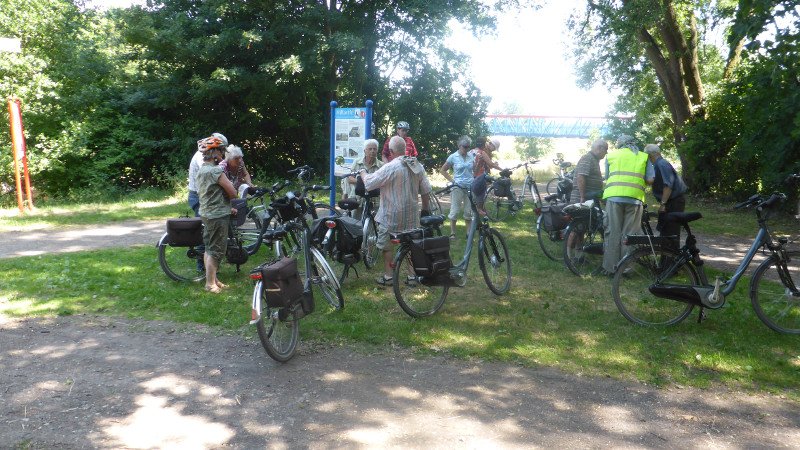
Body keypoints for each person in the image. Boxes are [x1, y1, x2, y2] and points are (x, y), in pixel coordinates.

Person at [361, 135, 432, 286]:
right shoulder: (417, 165)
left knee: (387, 247)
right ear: (405, 149)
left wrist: (363, 174)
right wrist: (425, 210)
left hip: (390, 216)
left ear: (391, 152)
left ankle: (388, 277)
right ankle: (412, 277)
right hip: (411, 216)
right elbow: (426, 191)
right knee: (411, 246)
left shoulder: (390, 167)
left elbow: (369, 184)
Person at [602, 135, 655, 275]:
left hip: (614, 198)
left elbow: (608, 177)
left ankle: (610, 268)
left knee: (613, 232)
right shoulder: (644, 157)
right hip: (635, 199)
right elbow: (650, 179)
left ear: (619, 144)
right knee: (630, 234)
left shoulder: (611, 156)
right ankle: (626, 269)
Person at [196, 135, 239, 293]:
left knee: (209, 247)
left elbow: (212, 194)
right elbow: (233, 193)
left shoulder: (202, 170)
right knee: (217, 250)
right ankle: (209, 284)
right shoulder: (216, 171)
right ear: (213, 152)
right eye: (221, 151)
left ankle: (214, 279)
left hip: (207, 213)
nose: (222, 154)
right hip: (217, 216)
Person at [644, 143, 688, 250]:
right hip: (672, 201)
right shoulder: (659, 164)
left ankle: (671, 261)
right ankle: (667, 261)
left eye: (646, 157)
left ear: (650, 155)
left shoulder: (661, 164)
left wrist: (663, 204)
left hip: (674, 201)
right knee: (666, 231)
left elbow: (668, 185)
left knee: (671, 232)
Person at [439, 135, 475, 239]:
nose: (467, 148)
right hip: (457, 187)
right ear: (459, 146)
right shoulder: (453, 157)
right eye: (465, 146)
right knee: (455, 210)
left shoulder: (471, 156)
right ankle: (452, 233)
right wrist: (453, 181)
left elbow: (474, 170)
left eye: (468, 146)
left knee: (469, 211)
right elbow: (442, 170)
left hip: (470, 186)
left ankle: (468, 233)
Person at [188, 132, 227, 215]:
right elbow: (209, 173)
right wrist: (222, 164)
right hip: (198, 195)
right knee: (203, 223)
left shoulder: (209, 156)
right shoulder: (201, 155)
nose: (222, 152)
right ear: (215, 148)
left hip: (204, 193)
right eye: (221, 149)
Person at [471, 136, 503, 216]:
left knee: (478, 193)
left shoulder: (472, 151)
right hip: (479, 175)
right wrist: (502, 170)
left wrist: (492, 165)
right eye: (494, 148)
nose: (494, 150)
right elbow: (490, 164)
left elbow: (488, 164)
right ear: (491, 145)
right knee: (481, 193)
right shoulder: (483, 152)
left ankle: (480, 209)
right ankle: (479, 210)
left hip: (472, 174)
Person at [570, 139, 609, 204]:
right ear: (599, 148)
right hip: (581, 199)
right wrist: (582, 197)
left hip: (589, 198)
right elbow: (581, 178)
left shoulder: (594, 159)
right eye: (606, 149)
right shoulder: (588, 158)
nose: (606, 152)